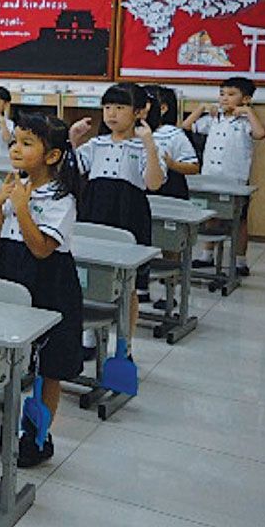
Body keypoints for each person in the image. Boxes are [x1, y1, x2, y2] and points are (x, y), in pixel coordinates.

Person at [0, 112, 82, 467]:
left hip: (47, 279)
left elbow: (41, 248)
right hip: (7, 269)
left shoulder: (61, 198)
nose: (16, 149)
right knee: (1, 353)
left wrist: (21, 208)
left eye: (26, 143)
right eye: (14, 142)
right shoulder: (17, 185)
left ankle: (37, 434)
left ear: (52, 156)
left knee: (47, 363)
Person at [70, 83, 164, 341]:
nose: (111, 113)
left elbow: (154, 183)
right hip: (94, 210)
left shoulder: (145, 146)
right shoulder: (97, 144)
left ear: (138, 112)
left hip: (129, 215)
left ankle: (126, 344)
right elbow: (69, 171)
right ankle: (90, 338)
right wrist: (72, 140)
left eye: (120, 107)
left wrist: (150, 146)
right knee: (89, 274)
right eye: (107, 107)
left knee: (128, 285)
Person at [182, 75, 265, 276]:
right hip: (210, 179)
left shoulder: (245, 121)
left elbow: (260, 133)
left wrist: (248, 111)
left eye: (231, 94)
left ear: (245, 99)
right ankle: (206, 256)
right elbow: (186, 126)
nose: (224, 98)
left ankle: (240, 261)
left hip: (235, 181)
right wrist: (201, 108)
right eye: (222, 94)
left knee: (240, 221)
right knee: (211, 217)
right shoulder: (213, 119)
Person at [145, 85, 198, 200]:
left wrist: (172, 164)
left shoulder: (174, 134)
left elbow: (194, 167)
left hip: (171, 191)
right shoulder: (138, 131)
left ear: (163, 108)